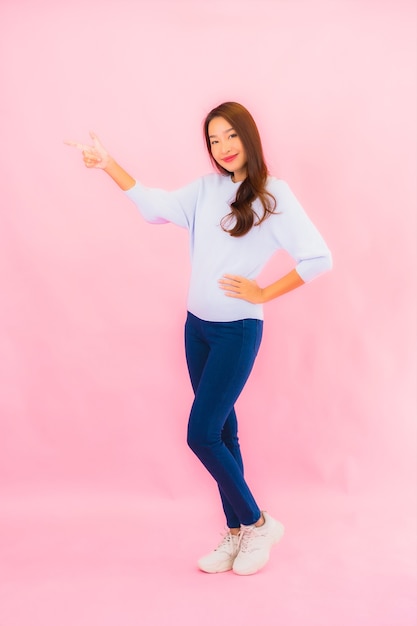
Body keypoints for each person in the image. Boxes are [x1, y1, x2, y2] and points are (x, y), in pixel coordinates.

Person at [66, 101, 332, 576]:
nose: (223, 147)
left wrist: (265, 290)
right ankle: (236, 534)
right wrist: (107, 164)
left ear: (248, 137)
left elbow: (318, 258)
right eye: (214, 139)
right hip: (197, 329)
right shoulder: (206, 191)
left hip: (237, 331)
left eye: (231, 135)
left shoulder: (275, 195)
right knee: (224, 432)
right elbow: (153, 206)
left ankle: (257, 522)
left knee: (202, 433)